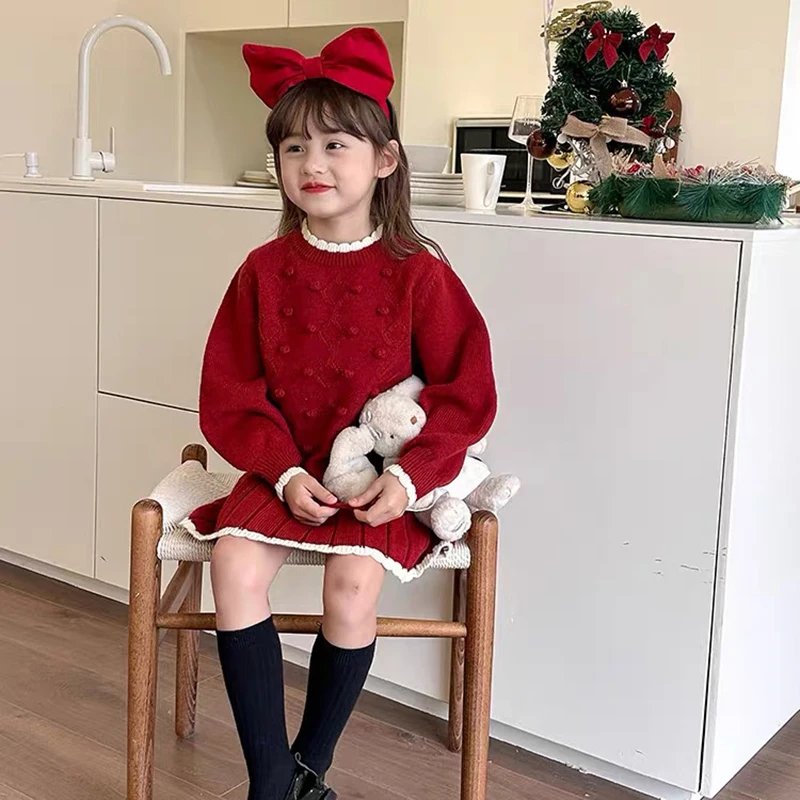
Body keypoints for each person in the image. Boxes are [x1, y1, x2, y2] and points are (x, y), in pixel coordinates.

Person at [185, 26, 498, 800]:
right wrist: (284, 472)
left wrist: (410, 479)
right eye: (293, 148)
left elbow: (465, 390)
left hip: (379, 481)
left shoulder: (419, 273)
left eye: (334, 145)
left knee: (353, 588)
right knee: (233, 566)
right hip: (285, 470)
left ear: (384, 160)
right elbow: (231, 391)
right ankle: (272, 784)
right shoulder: (262, 271)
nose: (312, 164)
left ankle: (309, 767)